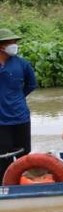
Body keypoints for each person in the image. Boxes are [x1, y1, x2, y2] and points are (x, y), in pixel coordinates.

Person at [0, 28, 37, 178]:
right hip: (1, 122)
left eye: (15, 42)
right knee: (3, 157)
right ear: (1, 45)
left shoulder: (22, 64)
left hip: (21, 117)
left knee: (24, 154)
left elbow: (31, 85)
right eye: (10, 42)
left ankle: (23, 183)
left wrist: (17, 98)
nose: (14, 45)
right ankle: (4, 186)